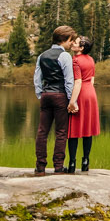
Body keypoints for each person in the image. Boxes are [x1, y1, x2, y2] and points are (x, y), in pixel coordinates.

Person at [33, 25, 77, 174]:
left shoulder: (42, 55)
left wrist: (40, 94)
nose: (72, 43)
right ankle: (58, 167)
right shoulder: (65, 56)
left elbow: (37, 79)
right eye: (71, 40)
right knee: (61, 132)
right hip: (60, 96)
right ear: (64, 39)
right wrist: (71, 101)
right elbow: (69, 80)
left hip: (46, 95)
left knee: (42, 131)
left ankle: (40, 166)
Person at [67, 34, 100, 172]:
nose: (73, 43)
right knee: (88, 129)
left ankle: (72, 163)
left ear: (81, 47)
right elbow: (91, 80)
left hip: (80, 94)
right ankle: (85, 161)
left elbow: (78, 82)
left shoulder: (75, 60)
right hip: (91, 94)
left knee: (74, 130)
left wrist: (72, 102)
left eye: (76, 43)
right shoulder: (91, 60)